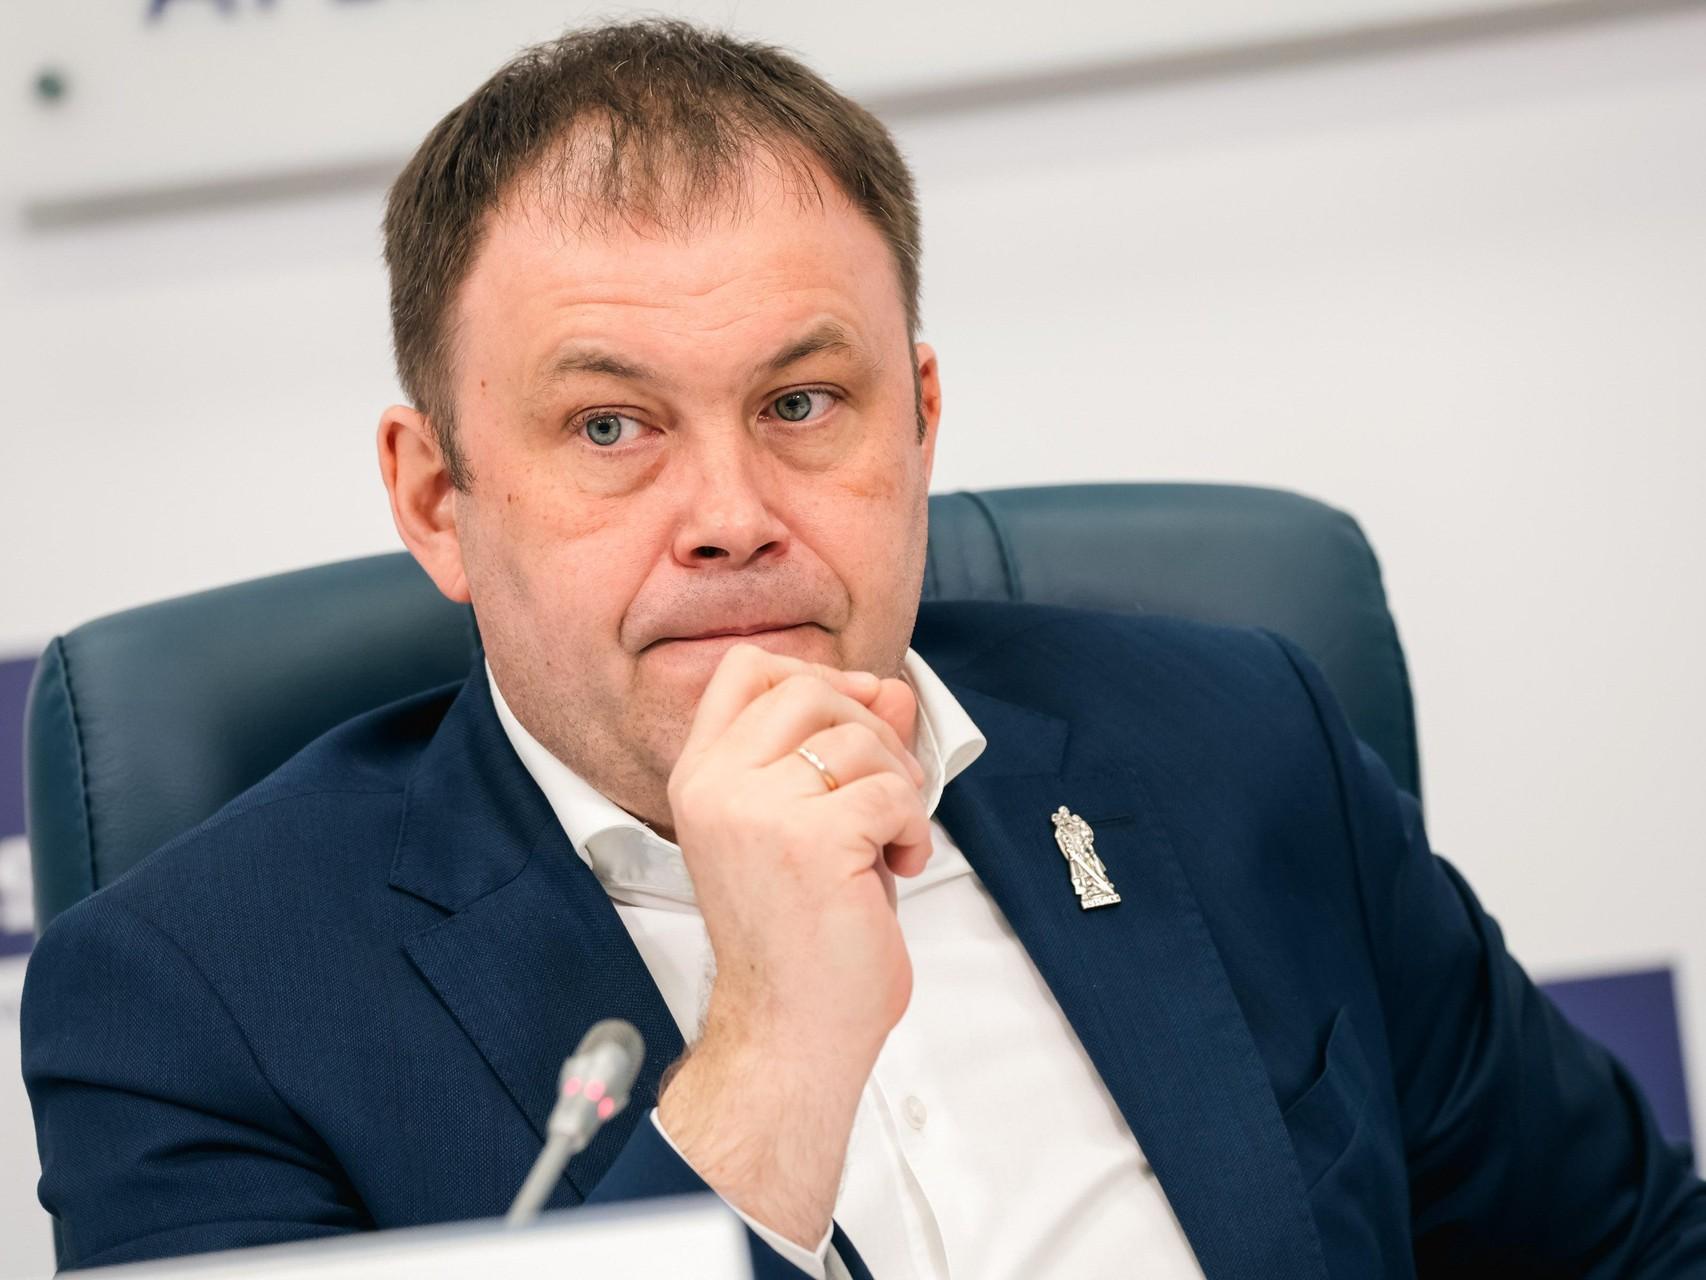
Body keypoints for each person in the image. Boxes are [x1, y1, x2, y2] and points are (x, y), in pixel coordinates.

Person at [21, 19, 1706, 1279]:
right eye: (608, 427)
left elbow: (1628, 1250)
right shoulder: (194, 1003)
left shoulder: (1230, 741)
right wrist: (769, 1046)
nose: (731, 515)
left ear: (917, 418)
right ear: (437, 498)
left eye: (801, 401)